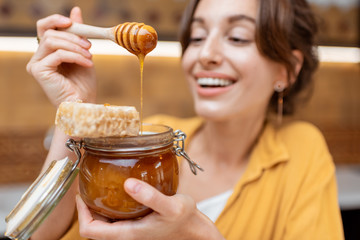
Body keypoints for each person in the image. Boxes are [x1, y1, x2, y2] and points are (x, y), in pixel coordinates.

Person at [26, 0, 344, 239]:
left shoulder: (301, 149)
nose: (205, 54)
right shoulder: (147, 139)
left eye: (237, 37)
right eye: (197, 36)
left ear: (287, 70)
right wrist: (75, 111)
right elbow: (37, 233)